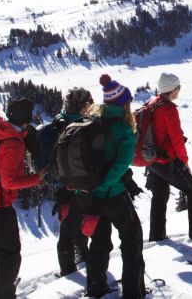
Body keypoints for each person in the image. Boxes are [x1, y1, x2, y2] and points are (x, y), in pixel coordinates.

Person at [80, 74, 146, 299]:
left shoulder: (92, 121)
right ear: (124, 103)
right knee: (132, 238)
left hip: (90, 194)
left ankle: (95, 288)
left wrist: (95, 190)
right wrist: (105, 186)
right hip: (112, 194)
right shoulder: (124, 129)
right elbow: (120, 165)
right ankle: (133, 291)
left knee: (99, 242)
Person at [0, 97, 46, 299]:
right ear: (26, 118)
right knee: (11, 253)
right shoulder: (14, 144)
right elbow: (8, 181)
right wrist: (36, 179)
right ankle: (5, 294)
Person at [145, 72, 192, 242]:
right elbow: (176, 140)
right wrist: (184, 161)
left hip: (152, 160)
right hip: (167, 160)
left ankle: (156, 234)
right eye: (178, 87)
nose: (180, 90)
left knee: (159, 195)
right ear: (173, 89)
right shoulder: (168, 109)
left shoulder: (152, 103)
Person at [51, 87, 93, 276]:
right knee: (76, 230)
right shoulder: (82, 126)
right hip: (78, 185)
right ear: (84, 106)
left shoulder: (58, 122)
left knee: (68, 231)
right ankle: (77, 266)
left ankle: (70, 269)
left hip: (61, 186)